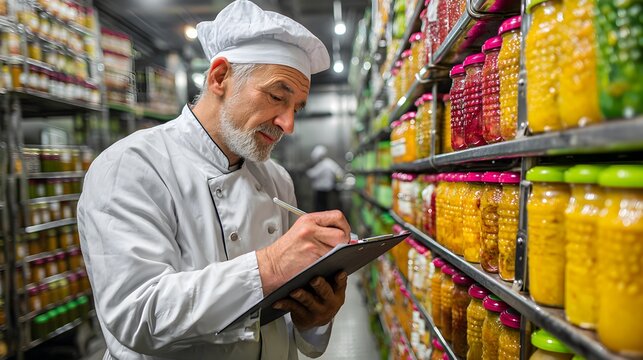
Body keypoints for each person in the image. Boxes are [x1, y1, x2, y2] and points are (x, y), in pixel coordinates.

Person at [77, 1, 351, 359]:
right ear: (219, 77)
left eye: (295, 108)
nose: (288, 124)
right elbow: (136, 314)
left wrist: (314, 314)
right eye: (276, 96)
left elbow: (280, 313)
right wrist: (269, 267)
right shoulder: (130, 166)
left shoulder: (276, 178)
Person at [306, 145, 344, 211]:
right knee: (326, 206)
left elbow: (312, 174)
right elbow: (339, 172)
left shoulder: (323, 164)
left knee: (320, 207)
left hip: (321, 190)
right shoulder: (329, 163)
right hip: (329, 189)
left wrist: (306, 170)